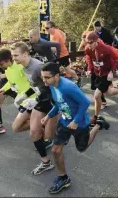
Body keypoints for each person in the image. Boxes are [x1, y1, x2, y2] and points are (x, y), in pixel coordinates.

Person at [40, 62, 110, 194]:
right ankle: (63, 178)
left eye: (47, 77)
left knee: (82, 148)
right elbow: (59, 104)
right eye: (42, 77)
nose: (44, 80)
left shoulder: (68, 87)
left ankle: (98, 125)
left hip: (79, 123)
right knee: (55, 150)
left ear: (56, 76)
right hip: (65, 121)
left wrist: (76, 121)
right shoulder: (51, 85)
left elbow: (85, 102)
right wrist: (48, 116)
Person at [10, 42, 56, 175]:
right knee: (26, 130)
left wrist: (35, 99)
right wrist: (24, 95)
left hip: (48, 102)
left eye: (16, 55)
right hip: (39, 100)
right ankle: (45, 160)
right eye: (13, 56)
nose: (14, 58)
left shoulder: (37, 67)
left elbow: (51, 87)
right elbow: (35, 86)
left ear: (25, 54)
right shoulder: (25, 66)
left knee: (44, 136)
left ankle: (47, 160)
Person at [85, 32, 118, 125]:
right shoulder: (88, 49)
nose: (89, 45)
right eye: (87, 42)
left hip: (106, 73)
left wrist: (111, 71)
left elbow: (117, 58)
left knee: (97, 95)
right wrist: (89, 69)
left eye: (91, 42)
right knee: (108, 92)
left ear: (96, 41)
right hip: (97, 72)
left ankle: (95, 117)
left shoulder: (106, 48)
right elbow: (89, 59)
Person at [0, 49, 38, 135]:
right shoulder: (8, 68)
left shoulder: (20, 66)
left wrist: (28, 95)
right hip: (22, 98)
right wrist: (3, 89)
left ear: (7, 60)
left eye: (1, 64)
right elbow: (11, 81)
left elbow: (34, 81)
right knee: (29, 121)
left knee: (26, 123)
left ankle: (44, 129)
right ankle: (42, 128)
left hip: (32, 97)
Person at [45, 21, 81, 87]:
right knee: (57, 69)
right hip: (60, 54)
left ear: (52, 27)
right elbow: (64, 34)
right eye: (45, 28)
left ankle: (77, 79)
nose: (46, 29)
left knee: (66, 69)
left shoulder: (55, 36)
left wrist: (46, 48)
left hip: (62, 55)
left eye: (47, 28)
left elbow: (54, 50)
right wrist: (63, 42)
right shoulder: (56, 30)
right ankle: (76, 79)